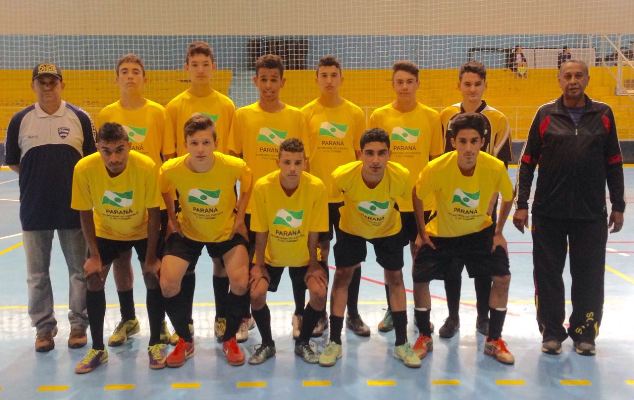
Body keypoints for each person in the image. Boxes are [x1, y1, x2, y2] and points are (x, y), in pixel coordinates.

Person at [513, 60, 625, 356]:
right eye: (567, 76)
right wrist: (522, 204)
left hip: (590, 214)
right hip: (548, 212)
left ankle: (585, 332)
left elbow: (614, 161)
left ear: (587, 79)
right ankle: (551, 331)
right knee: (547, 274)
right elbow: (527, 162)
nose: (573, 80)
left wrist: (618, 204)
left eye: (578, 75)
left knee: (589, 275)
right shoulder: (545, 114)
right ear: (559, 79)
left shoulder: (603, 114)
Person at [4, 63, 95, 352]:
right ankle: (44, 328)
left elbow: (90, 161)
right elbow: (14, 162)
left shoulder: (80, 118)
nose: (47, 87)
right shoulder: (20, 120)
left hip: (73, 208)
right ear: (33, 85)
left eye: (52, 81)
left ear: (62, 84)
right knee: (37, 274)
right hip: (35, 209)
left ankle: (79, 324)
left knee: (79, 270)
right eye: (41, 82)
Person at [411, 113, 515, 365]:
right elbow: (417, 194)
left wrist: (498, 231)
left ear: (482, 142)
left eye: (474, 141)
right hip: (443, 234)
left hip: (479, 233)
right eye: (463, 141)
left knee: (502, 277)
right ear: (453, 142)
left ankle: (494, 340)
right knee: (420, 277)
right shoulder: (437, 167)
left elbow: (508, 195)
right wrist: (422, 232)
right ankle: (424, 336)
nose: (468, 148)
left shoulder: (494, 167)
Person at [319, 128, 421, 369]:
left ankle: (402, 343)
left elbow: (412, 202)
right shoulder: (343, 175)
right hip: (352, 228)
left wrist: (421, 233)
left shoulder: (400, 176)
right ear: (360, 154)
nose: (375, 160)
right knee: (342, 275)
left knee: (395, 278)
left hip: (388, 228)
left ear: (389, 154)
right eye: (369, 153)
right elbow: (328, 204)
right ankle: (334, 342)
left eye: (381, 153)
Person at [227, 54, 310, 341]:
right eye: (263, 79)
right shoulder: (242, 116)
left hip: (290, 203)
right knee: (251, 265)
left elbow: (305, 162)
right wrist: (236, 207)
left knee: (298, 264)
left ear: (283, 82)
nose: (268, 85)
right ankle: (244, 316)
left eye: (274, 80)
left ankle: (300, 314)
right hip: (253, 206)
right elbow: (234, 162)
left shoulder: (296, 116)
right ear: (255, 81)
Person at [95, 53, 176, 347]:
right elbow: (101, 159)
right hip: (117, 202)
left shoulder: (158, 113)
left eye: (135, 71)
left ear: (145, 78)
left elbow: (168, 161)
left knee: (153, 265)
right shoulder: (106, 113)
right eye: (125, 71)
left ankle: (160, 322)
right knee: (121, 262)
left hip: (151, 203)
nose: (130, 76)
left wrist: (171, 209)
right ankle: (128, 318)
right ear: (116, 78)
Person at [159, 114, 252, 367]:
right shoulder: (171, 169)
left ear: (215, 144)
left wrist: (240, 218)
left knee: (240, 281)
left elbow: (248, 183)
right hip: (188, 233)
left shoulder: (232, 165)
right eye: (194, 143)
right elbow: (165, 189)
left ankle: (230, 338)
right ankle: (184, 340)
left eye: (205, 143)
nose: (200, 149)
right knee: (167, 283)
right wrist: (171, 218)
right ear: (185, 145)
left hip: (224, 232)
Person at [71, 122, 163, 373]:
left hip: (141, 229)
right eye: (106, 151)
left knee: (153, 276)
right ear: (98, 148)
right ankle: (98, 349)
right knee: (93, 277)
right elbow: (84, 212)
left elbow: (154, 213)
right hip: (107, 231)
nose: (114, 158)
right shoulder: (84, 168)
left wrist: (151, 259)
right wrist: (94, 255)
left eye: (120, 150)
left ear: (129, 146)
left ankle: (156, 343)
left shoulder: (146, 167)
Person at [165, 40, 237, 343]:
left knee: (221, 262)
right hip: (187, 196)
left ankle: (223, 317)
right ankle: (186, 322)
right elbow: (171, 155)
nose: (200, 70)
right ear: (186, 68)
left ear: (214, 67)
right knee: (187, 262)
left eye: (205, 64)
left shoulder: (226, 105)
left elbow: (230, 154)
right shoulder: (174, 106)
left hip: (220, 197)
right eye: (194, 65)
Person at [437, 61, 513, 338]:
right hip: (450, 205)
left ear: (485, 86)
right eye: (467, 84)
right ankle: (453, 317)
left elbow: (501, 168)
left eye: (477, 84)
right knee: (452, 264)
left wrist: (491, 204)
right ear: (458, 85)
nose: (472, 89)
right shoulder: (446, 116)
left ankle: (483, 316)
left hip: (482, 205)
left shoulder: (498, 119)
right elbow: (439, 163)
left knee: (482, 264)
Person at [368, 61, 443, 334]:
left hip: (421, 202)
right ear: (393, 84)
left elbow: (435, 161)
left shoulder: (431, 117)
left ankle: (421, 312)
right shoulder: (379, 116)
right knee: (391, 263)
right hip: (390, 202)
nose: (404, 87)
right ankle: (393, 309)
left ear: (417, 84)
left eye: (409, 82)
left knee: (420, 259)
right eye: (399, 82)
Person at [301, 55, 368, 337]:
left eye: (333, 75)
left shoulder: (355, 113)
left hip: (347, 199)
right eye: (324, 75)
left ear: (342, 78)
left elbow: (361, 156)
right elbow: (303, 160)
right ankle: (320, 314)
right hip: (318, 199)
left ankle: (352, 312)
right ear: (316, 79)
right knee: (320, 254)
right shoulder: (305, 113)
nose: (329, 80)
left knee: (352, 257)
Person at [248, 138, 329, 365]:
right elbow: (261, 230)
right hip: (271, 255)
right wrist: (259, 265)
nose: (292, 168)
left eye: (297, 162)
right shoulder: (263, 186)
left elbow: (314, 230)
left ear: (305, 163)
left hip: (303, 255)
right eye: (287, 162)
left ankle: (303, 342)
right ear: (278, 162)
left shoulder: (316, 187)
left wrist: (313, 263)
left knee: (319, 293)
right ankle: (267, 343)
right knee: (255, 294)